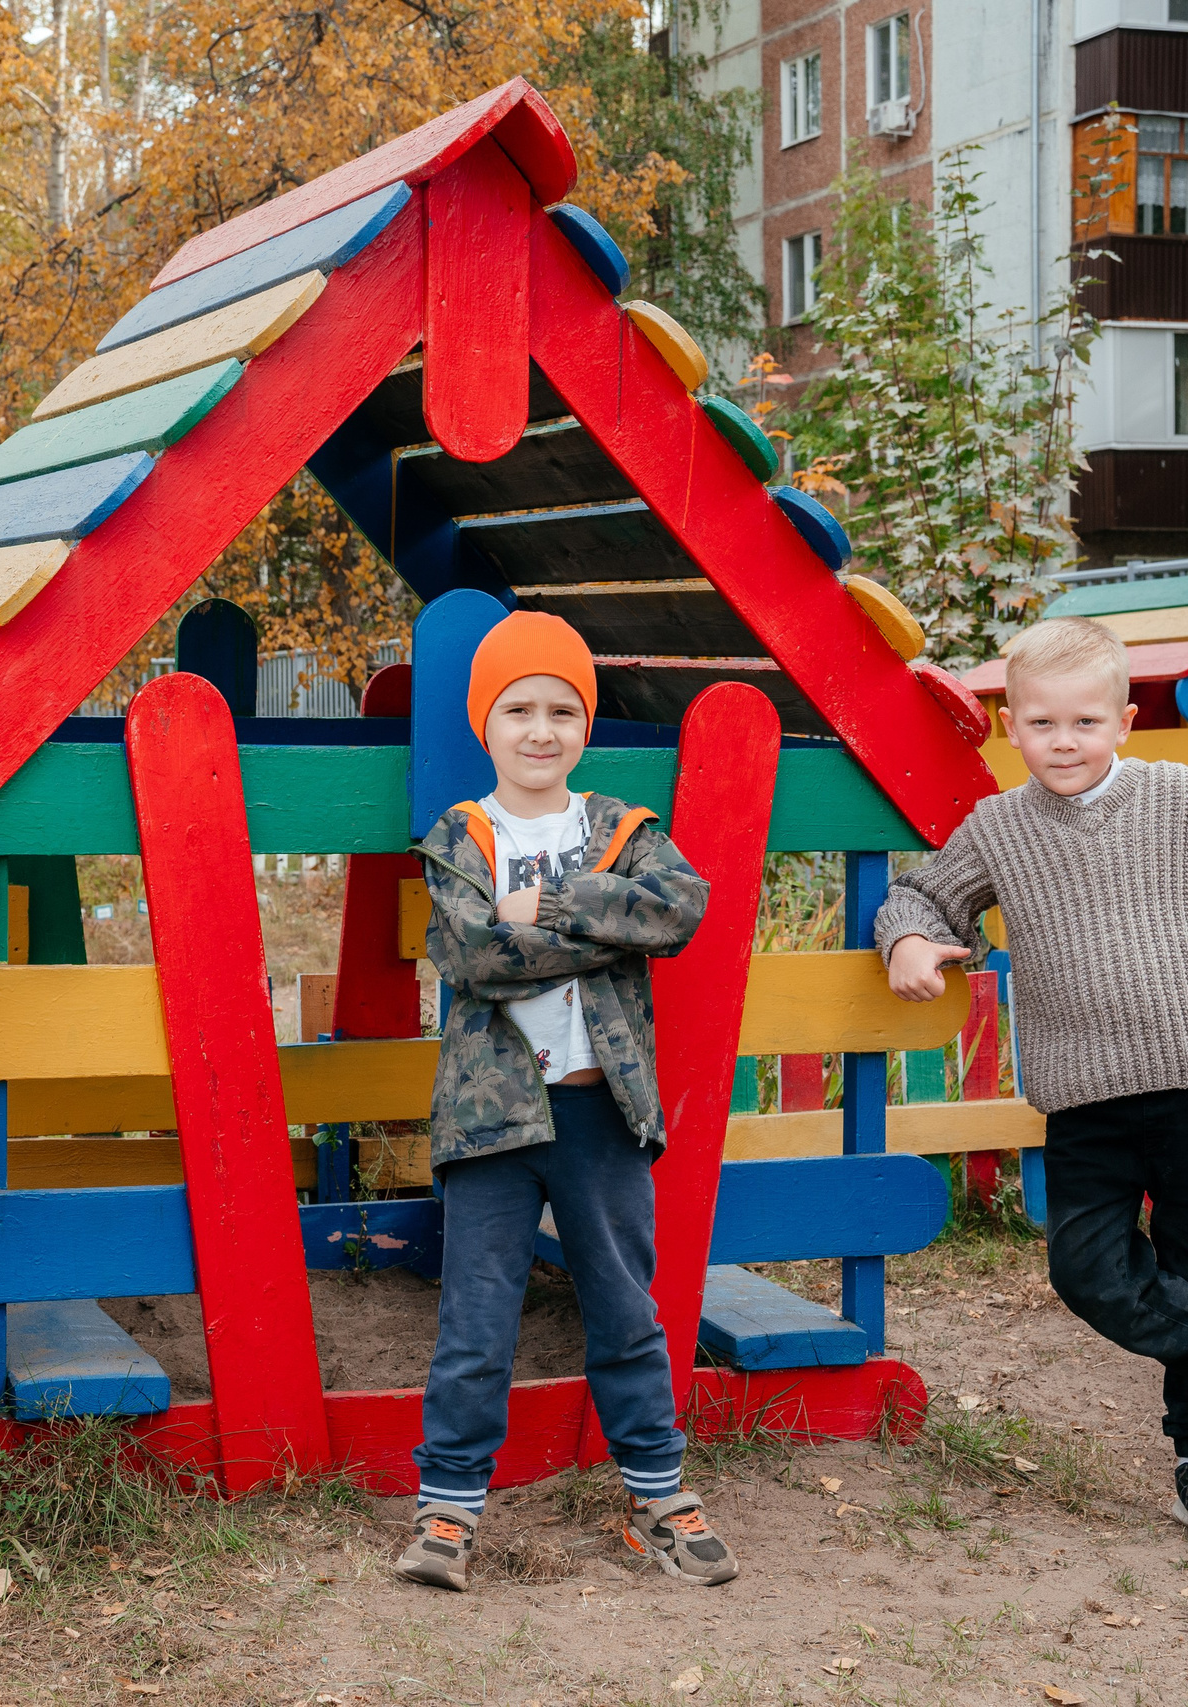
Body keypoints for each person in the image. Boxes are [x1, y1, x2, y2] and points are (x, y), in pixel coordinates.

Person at [878, 616, 1188, 1548]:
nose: (1066, 742)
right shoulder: (1001, 827)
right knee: (1089, 1267)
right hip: (1085, 1092)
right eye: (1044, 723)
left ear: (1124, 721)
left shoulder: (1180, 797)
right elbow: (926, 892)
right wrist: (906, 938)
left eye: (1086, 723)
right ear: (1011, 725)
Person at [393, 611, 733, 1591]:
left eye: (560, 710)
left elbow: (678, 908)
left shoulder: (622, 828)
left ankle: (659, 1496)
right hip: (492, 1119)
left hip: (600, 1115)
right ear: (485, 722)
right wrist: (606, 923)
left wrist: (542, 904)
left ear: (583, 725)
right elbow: (468, 952)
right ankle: (448, 1513)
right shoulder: (462, 834)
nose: (539, 730)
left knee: (626, 1310)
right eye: (517, 709)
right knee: (475, 1323)